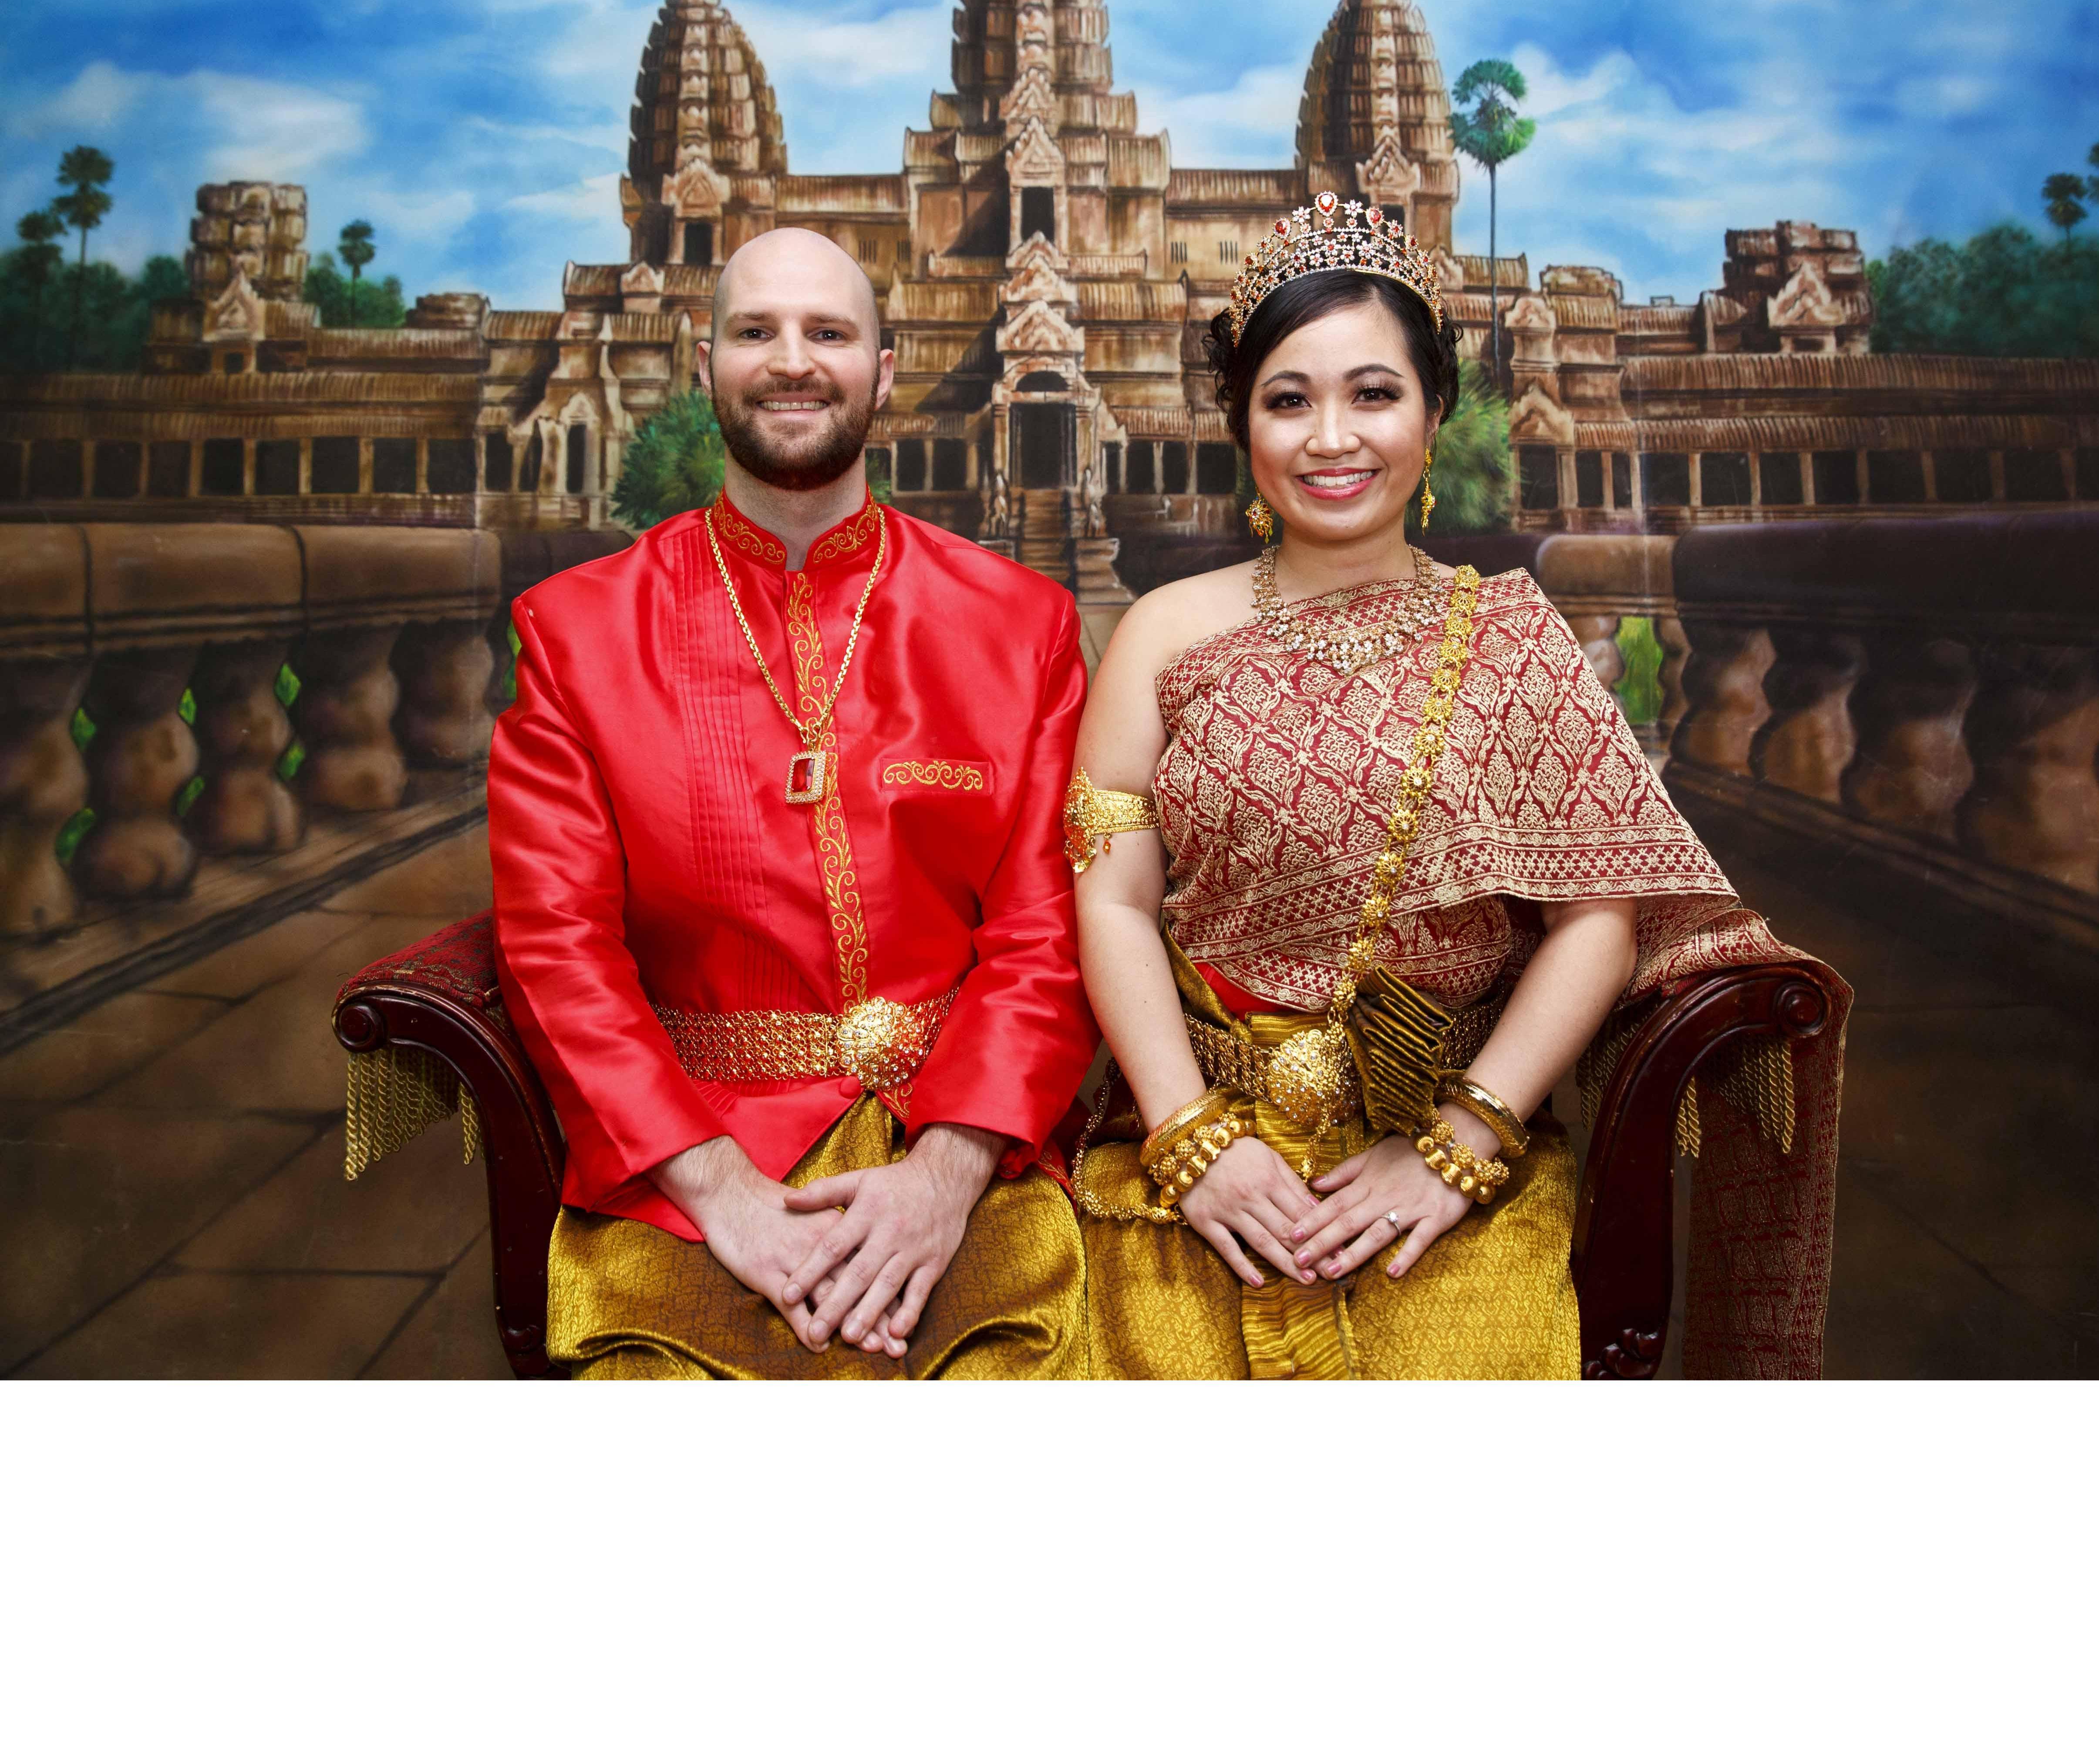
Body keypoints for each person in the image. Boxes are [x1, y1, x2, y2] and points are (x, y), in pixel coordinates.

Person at [1067, 192, 1847, 1379]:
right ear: (1242, 425)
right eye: (1289, 399)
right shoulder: (1162, 635)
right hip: (1199, 1146)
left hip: (1437, 1154)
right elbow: (1114, 900)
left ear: (1434, 415)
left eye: (1373, 394)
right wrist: (1189, 1137)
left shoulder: (1509, 637)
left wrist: (1461, 1141)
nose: (1332, 438)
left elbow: (1597, 917)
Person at [490, 227, 1096, 1378]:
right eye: (755, 331)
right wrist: (720, 1191)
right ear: (704, 362)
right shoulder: (575, 633)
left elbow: (1046, 930)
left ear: (883, 368)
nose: (792, 361)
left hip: (959, 1136)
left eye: (828, 332)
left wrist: (945, 1174)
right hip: (694, 1156)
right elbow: (557, 945)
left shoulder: (1019, 625)